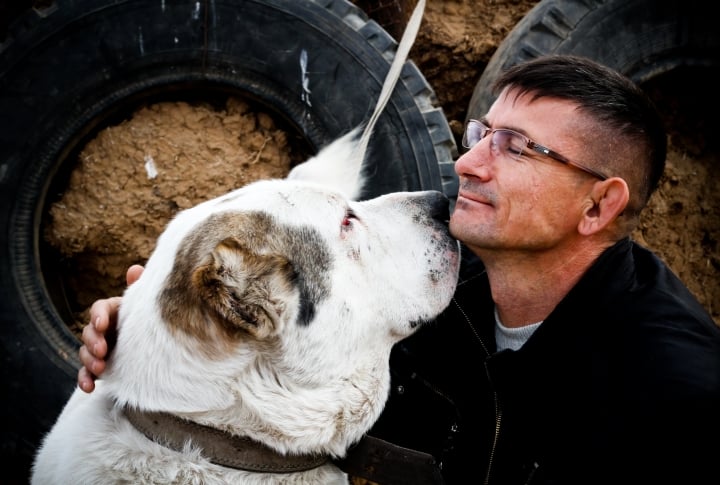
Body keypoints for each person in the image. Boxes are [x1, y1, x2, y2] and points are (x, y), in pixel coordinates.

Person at [77, 55, 720, 484]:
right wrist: (159, 331)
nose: (468, 164)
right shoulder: (453, 291)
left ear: (599, 205)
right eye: (483, 132)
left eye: (518, 147)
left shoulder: (675, 395)